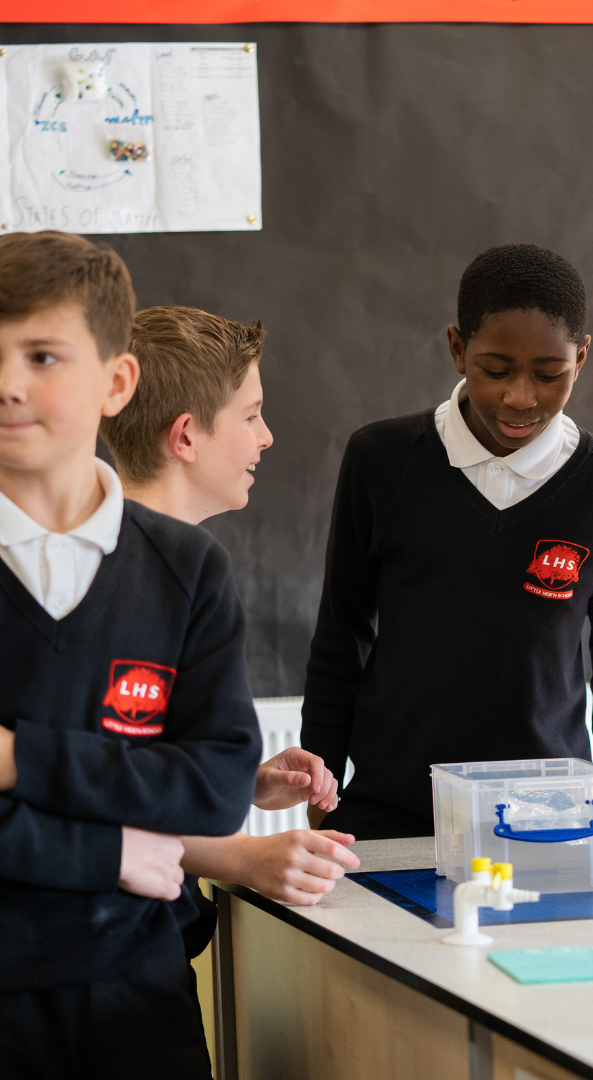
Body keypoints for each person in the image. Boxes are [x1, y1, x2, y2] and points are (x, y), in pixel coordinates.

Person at [0, 232, 260, 1078]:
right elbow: (172, 784)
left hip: (140, 998)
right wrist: (107, 853)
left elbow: (215, 786)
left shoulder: (186, 568)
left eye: (43, 356)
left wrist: (17, 759)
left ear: (117, 382)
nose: (8, 384)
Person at [303, 244, 593, 839]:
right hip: (390, 812)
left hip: (549, 820)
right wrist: (321, 784)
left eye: (550, 374)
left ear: (581, 357)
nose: (520, 397)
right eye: (495, 370)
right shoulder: (382, 460)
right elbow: (342, 637)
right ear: (457, 349)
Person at [99, 305, 360, 910]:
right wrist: (240, 856)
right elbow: (94, 787)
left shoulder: (179, 571)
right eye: (250, 415)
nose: (265, 436)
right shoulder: (114, 578)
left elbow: (143, 762)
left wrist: (241, 782)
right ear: (186, 436)